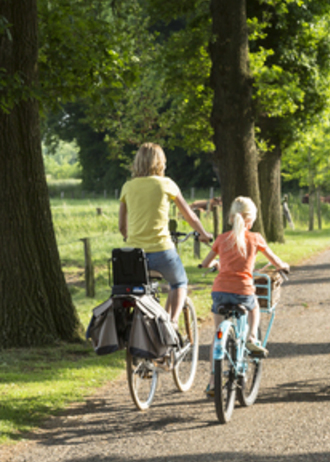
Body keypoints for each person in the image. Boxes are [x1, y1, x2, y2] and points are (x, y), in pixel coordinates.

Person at [118, 143, 213, 326]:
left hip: (133, 255)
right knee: (179, 283)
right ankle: (172, 323)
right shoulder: (167, 184)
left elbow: (122, 225)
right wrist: (203, 233)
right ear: (160, 163)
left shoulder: (127, 187)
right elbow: (190, 215)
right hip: (162, 252)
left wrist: (129, 238)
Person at [199, 196, 289, 363]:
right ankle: (252, 337)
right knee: (254, 306)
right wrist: (283, 265)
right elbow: (275, 261)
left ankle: (212, 381)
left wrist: (217, 264)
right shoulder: (255, 238)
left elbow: (205, 263)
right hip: (243, 291)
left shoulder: (221, 238)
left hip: (219, 292)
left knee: (217, 333)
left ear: (231, 218)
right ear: (251, 219)